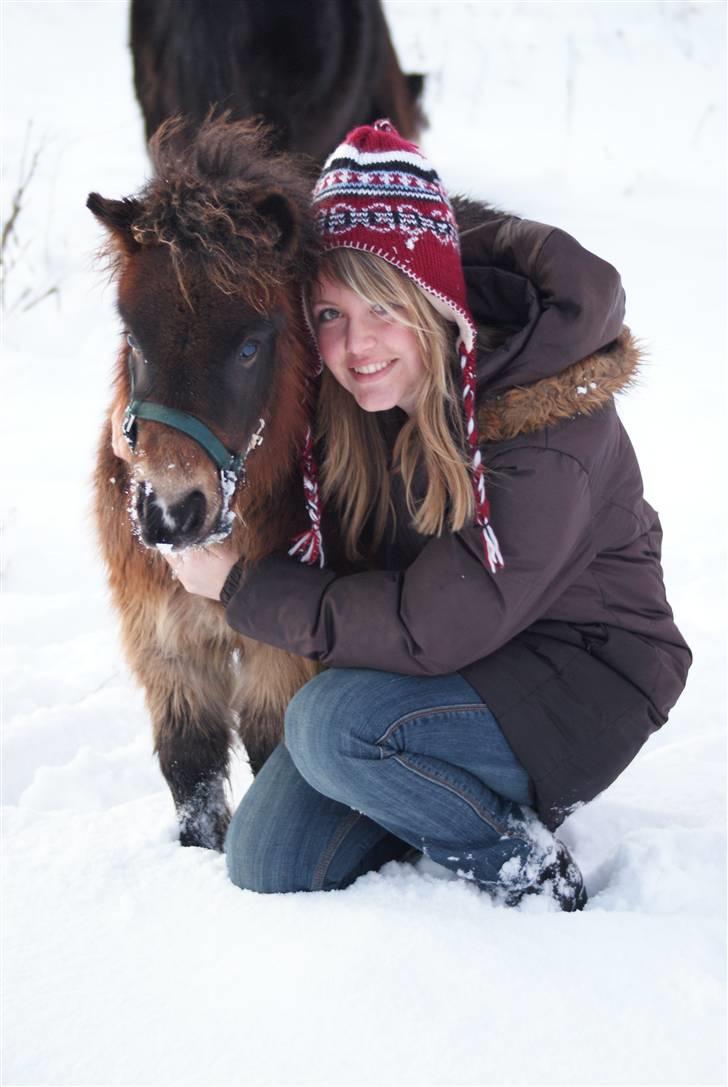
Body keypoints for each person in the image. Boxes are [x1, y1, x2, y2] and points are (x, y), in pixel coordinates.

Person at [155, 121, 691, 910]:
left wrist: (241, 586)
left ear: (431, 297)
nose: (357, 345)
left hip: (579, 677)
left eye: (383, 307)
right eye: (330, 315)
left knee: (329, 724)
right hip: (444, 672)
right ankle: (422, 783)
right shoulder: (365, 399)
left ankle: (523, 866)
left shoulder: (544, 425)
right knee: (270, 855)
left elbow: (436, 625)